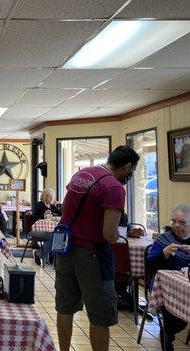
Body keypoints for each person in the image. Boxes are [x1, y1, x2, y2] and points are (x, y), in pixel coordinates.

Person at [55, 145, 139, 351]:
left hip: (65, 248)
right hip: (92, 255)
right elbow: (109, 234)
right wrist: (123, 232)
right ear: (127, 167)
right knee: (100, 314)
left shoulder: (81, 174)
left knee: (65, 307)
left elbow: (65, 208)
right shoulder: (114, 188)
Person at [146, 204, 190, 351]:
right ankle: (167, 342)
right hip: (164, 288)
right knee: (171, 315)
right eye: (173, 221)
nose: (176, 226)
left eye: (182, 222)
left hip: (185, 287)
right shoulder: (164, 238)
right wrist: (163, 253)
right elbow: (151, 265)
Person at [31, 188, 61, 265]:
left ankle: (52, 255)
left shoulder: (52, 207)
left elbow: (60, 215)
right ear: (45, 196)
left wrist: (58, 206)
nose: (51, 199)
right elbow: (34, 219)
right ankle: (38, 254)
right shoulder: (38, 205)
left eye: (52, 197)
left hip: (49, 230)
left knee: (57, 236)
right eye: (49, 197)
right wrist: (43, 215)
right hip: (36, 230)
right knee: (53, 237)